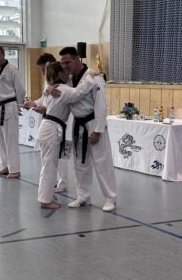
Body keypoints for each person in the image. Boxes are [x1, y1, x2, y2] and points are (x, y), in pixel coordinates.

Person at [24, 61, 100, 209]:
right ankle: (45, 201)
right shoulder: (62, 90)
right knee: (49, 166)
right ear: (59, 73)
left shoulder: (53, 89)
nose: (68, 74)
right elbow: (79, 92)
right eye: (65, 71)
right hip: (51, 129)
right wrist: (90, 77)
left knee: (48, 165)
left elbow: (44, 100)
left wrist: (39, 97)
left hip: (48, 128)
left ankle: (45, 197)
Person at [55, 46, 117, 212]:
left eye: (67, 62)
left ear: (77, 59)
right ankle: (83, 197)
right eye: (62, 63)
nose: (64, 66)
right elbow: (61, 91)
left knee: (102, 162)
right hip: (78, 124)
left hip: (93, 122)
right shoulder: (68, 79)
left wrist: (97, 130)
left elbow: (101, 105)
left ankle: (110, 197)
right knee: (80, 163)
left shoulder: (94, 77)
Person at [36, 52, 70, 193]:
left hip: (63, 122)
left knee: (60, 156)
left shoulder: (67, 80)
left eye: (44, 69)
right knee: (51, 159)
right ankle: (52, 185)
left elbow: (76, 93)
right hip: (54, 123)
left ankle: (62, 183)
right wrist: (35, 103)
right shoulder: (50, 84)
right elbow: (45, 100)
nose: (43, 72)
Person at [0, 45, 25, 179]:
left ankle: (15, 169)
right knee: (0, 138)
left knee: (11, 139)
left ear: (4, 54)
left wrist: (19, 106)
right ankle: (6, 166)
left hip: (9, 106)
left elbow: (20, 90)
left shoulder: (12, 69)